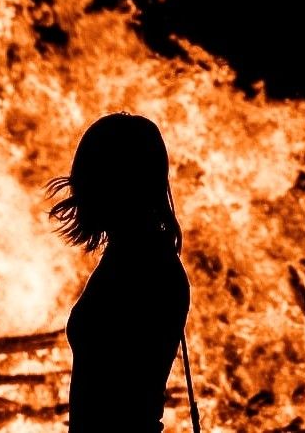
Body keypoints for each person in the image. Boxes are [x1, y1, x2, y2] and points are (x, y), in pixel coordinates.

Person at [45, 112, 190, 432]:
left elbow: (121, 403)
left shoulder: (142, 267)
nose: (79, 192)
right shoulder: (137, 257)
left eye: (89, 178)